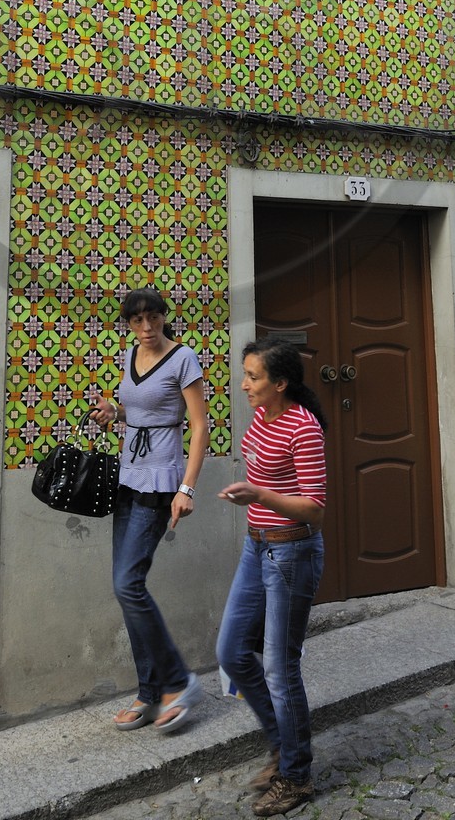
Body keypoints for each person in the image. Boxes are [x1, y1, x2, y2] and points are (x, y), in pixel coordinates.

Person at [217, 336, 328, 818]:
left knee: (280, 670)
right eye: (245, 374)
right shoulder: (263, 415)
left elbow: (315, 509)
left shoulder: (304, 428)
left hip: (292, 552)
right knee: (232, 651)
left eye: (253, 377)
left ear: (280, 383)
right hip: (257, 546)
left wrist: (259, 495)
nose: (244, 385)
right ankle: (283, 746)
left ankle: (297, 775)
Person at [89, 288, 208, 732]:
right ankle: (150, 691)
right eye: (136, 321)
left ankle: (179, 682)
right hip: (128, 476)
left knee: (128, 584)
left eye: (152, 319)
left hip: (161, 483)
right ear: (128, 324)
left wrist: (187, 488)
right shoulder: (129, 357)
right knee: (126, 587)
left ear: (163, 317)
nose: (146, 328)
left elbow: (199, 427)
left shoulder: (183, 359)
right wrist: (113, 413)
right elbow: (138, 413)